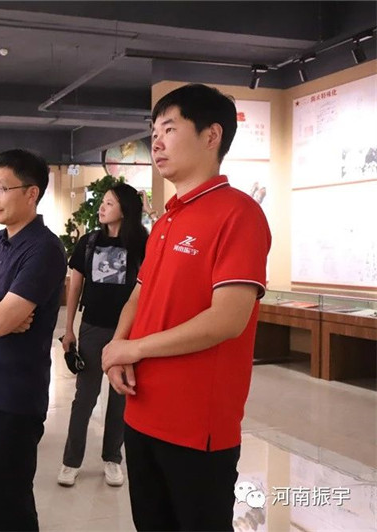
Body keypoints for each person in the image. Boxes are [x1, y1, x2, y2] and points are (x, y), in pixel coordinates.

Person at [101, 84, 271, 531]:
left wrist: (135, 349)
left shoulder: (239, 214)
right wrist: (118, 347)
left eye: (170, 129)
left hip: (196, 428)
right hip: (140, 411)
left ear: (212, 135)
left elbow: (227, 319)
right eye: (154, 131)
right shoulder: (165, 221)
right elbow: (140, 295)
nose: (156, 142)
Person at [0, 149, 67, 531]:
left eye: (1, 189)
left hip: (14, 399)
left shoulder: (45, 249)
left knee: (10, 505)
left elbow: (0, 321)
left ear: (31, 193)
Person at [57, 183, 148, 488]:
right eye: (103, 202)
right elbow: (75, 286)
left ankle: (112, 458)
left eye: (109, 203)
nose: (102, 207)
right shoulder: (89, 242)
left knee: (120, 396)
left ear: (125, 208)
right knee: (85, 396)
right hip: (93, 327)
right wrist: (69, 329)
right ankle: (71, 461)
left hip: (128, 332)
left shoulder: (142, 243)